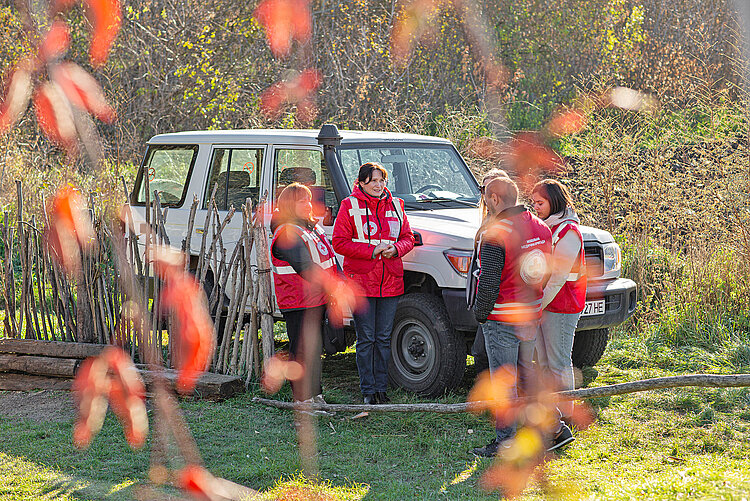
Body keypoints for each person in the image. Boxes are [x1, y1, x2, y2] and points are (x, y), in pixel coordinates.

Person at [469, 177, 558, 457]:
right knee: (527, 374)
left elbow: (489, 280)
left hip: (502, 316)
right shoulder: (541, 227)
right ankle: (547, 428)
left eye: (486, 197)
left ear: (494, 199)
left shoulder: (497, 231)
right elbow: (545, 270)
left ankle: (505, 440)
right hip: (529, 313)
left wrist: (481, 314)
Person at [332, 162, 415, 405]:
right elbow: (339, 243)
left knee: (383, 338)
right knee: (366, 338)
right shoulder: (349, 206)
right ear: (361, 183)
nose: (378, 185)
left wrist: (396, 249)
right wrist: (372, 250)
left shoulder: (397, 205)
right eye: (373, 181)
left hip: (390, 281)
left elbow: (408, 238)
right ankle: (368, 391)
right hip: (361, 283)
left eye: (382, 180)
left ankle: (382, 390)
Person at [270, 182, 339, 408]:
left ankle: (315, 396)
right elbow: (305, 267)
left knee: (314, 351)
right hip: (298, 302)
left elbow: (329, 261)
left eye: (309, 199)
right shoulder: (287, 233)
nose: (308, 204)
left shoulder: (310, 227)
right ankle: (302, 401)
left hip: (316, 300)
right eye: (302, 200)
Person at [530, 179, 586, 443]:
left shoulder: (569, 232)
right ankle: (549, 416)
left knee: (559, 362)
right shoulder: (547, 228)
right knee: (543, 363)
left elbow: (558, 278)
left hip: (561, 306)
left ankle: (566, 418)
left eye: (539, 203)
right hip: (544, 305)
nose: (535, 208)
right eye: (533, 203)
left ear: (554, 201)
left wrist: (537, 306)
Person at [468, 168, 511, 368]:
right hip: (486, 291)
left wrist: (481, 310)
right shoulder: (487, 219)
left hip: (497, 296)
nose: (486, 194)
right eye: (483, 188)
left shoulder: (503, 225)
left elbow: (492, 271)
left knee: (485, 350)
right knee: (483, 348)